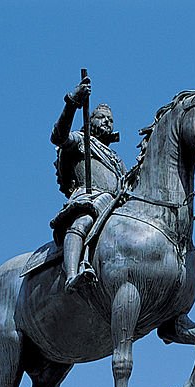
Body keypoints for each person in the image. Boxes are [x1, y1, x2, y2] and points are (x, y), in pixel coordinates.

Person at [49, 76, 126, 292]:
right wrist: (72, 103)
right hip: (90, 199)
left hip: (115, 206)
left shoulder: (116, 158)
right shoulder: (80, 142)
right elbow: (58, 137)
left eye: (110, 120)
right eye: (101, 117)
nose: (107, 122)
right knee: (83, 222)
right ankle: (72, 275)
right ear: (90, 121)